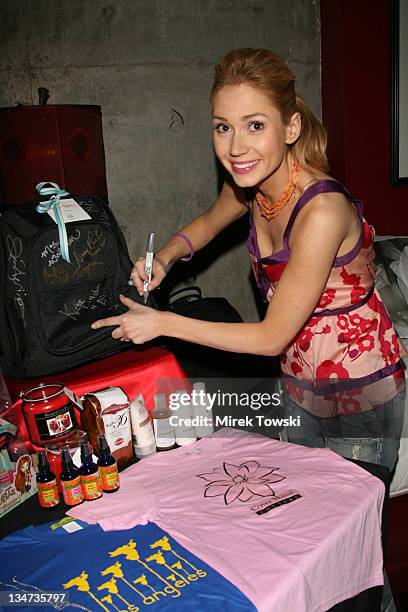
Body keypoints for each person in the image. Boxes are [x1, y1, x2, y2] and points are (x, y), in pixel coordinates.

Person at [92, 46, 404, 610]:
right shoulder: (253, 187)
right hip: (297, 387)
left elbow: (269, 336)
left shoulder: (322, 210)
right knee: (301, 535)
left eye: (254, 126)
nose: (236, 147)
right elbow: (209, 223)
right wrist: (165, 258)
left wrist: (163, 321)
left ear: (290, 127)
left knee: (356, 547)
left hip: (360, 394)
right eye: (223, 128)